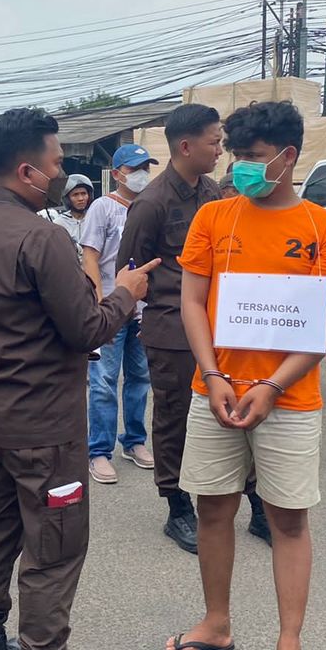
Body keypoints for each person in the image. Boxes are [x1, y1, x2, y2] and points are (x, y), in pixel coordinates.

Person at [0, 108, 157, 650]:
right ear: (29, 170)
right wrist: (127, 293)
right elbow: (86, 329)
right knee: (53, 550)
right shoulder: (43, 237)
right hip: (47, 432)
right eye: (57, 163)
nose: (63, 173)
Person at [163, 101, 326, 650]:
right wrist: (215, 375)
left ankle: (288, 647)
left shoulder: (325, 228)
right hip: (213, 393)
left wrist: (274, 384)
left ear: (289, 156)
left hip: (289, 402)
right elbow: (192, 302)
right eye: (236, 156)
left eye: (252, 158)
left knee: (288, 521)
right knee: (213, 508)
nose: (239, 167)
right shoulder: (215, 218)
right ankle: (216, 622)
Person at [117, 103, 230, 553]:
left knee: (226, 413)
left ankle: (252, 501)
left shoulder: (212, 193)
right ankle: (177, 506)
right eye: (213, 141)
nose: (220, 149)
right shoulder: (152, 202)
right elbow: (132, 267)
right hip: (171, 329)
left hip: (219, 324)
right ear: (186, 146)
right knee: (174, 418)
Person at [79, 143, 156, 484]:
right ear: (117, 174)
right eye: (134, 168)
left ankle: (134, 441)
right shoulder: (102, 208)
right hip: (111, 305)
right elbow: (91, 256)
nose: (141, 174)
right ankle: (98, 451)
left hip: (143, 309)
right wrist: (99, 300)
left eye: (145, 167)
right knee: (104, 383)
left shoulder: (151, 206)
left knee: (140, 379)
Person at [54, 173, 93, 249]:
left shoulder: (96, 219)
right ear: (67, 199)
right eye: (75, 195)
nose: (81, 198)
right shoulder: (59, 223)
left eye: (83, 193)